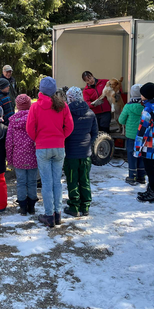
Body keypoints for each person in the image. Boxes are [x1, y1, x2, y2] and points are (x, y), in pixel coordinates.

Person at [26, 77, 74, 228]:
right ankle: (57, 213)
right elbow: (70, 126)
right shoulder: (63, 105)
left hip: (42, 147)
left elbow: (29, 129)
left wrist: (38, 139)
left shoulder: (35, 107)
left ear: (41, 90)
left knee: (46, 183)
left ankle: (49, 215)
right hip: (59, 147)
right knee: (57, 182)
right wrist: (60, 137)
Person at [62, 87, 98, 217]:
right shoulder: (90, 113)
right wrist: (88, 144)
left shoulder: (66, 113)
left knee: (72, 180)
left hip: (71, 153)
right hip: (86, 153)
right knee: (85, 179)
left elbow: (63, 132)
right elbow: (95, 133)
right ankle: (85, 206)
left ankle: (74, 207)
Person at [6, 94, 38, 216]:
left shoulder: (13, 121)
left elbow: (9, 142)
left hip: (18, 157)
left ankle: (23, 208)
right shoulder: (35, 118)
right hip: (33, 155)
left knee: (21, 182)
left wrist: (9, 159)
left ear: (17, 106)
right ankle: (32, 207)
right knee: (32, 182)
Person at [135, 83, 154, 204]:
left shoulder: (147, 110)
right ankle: (151, 189)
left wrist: (137, 148)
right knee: (152, 168)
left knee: (150, 170)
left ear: (146, 96)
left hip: (148, 144)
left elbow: (142, 131)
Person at [119, 84, 146, 186]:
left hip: (131, 136)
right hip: (143, 135)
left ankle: (132, 176)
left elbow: (121, 120)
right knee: (142, 155)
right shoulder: (145, 106)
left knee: (132, 155)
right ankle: (141, 177)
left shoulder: (128, 106)